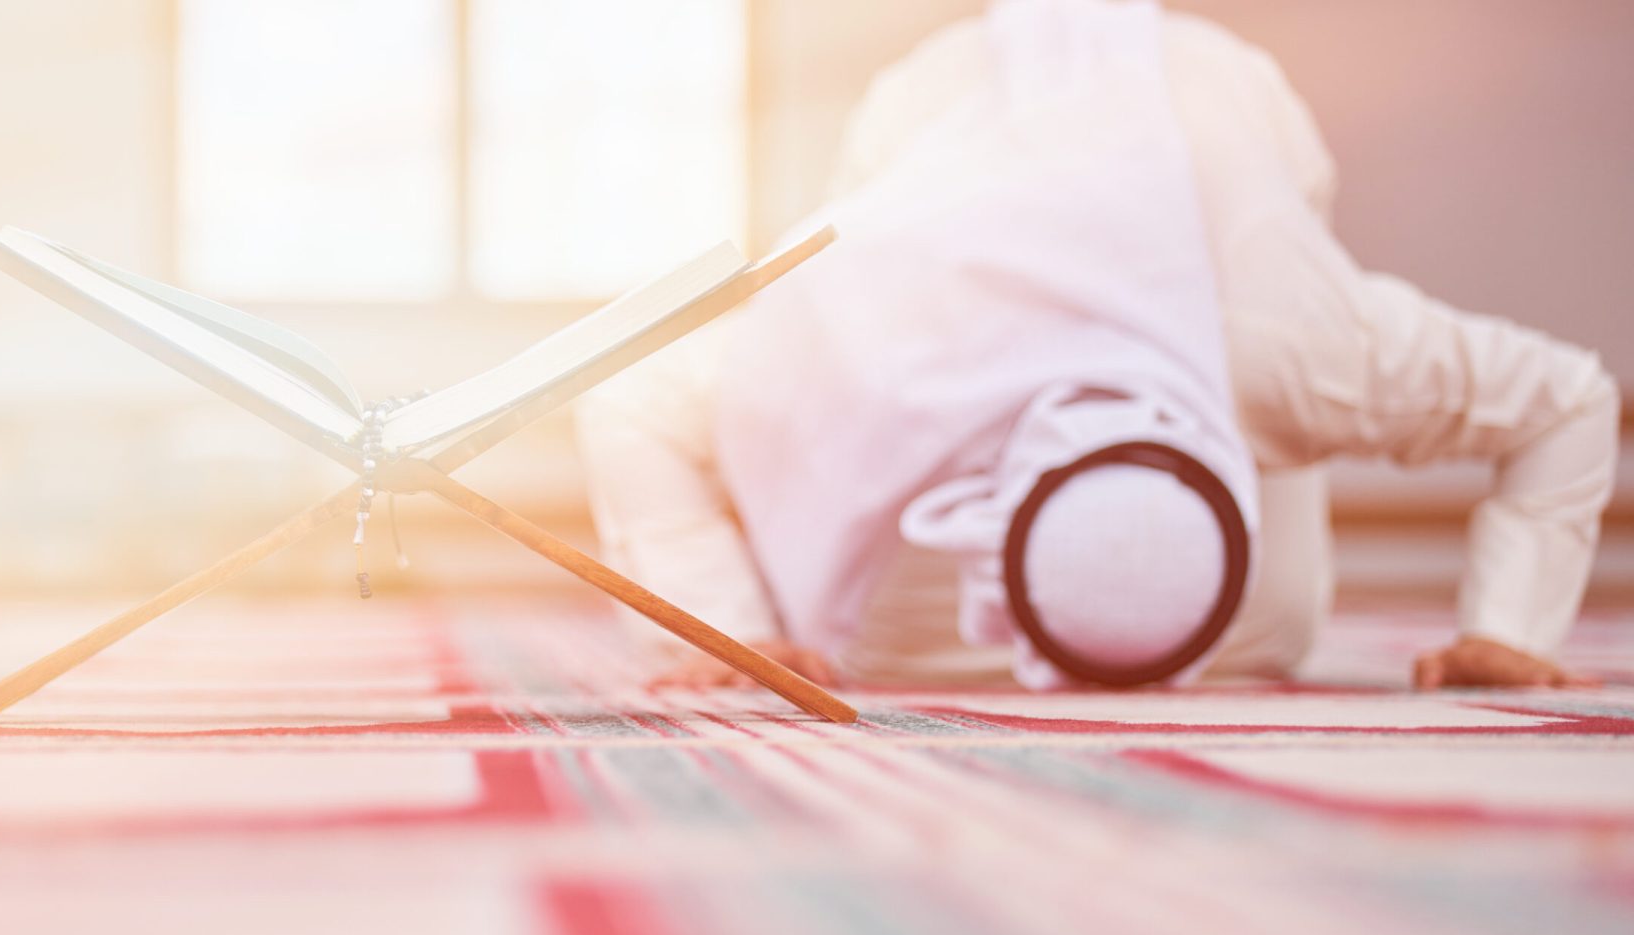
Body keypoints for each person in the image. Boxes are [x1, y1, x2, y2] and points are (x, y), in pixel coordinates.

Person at [577, 0, 1620, 691]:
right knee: (902, 634)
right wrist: (726, 633)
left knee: (1268, 620)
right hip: (949, 455)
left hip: (1240, 385)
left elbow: (1572, 401)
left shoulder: (1287, 341)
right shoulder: (883, 323)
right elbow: (622, 403)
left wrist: (1510, 635)